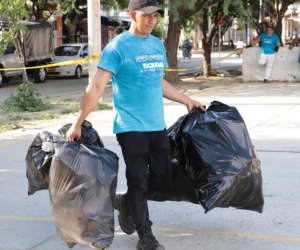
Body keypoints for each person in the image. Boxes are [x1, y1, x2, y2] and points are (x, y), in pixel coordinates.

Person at [66, 0, 205, 250]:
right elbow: (96, 86)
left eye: (156, 16)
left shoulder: (155, 44)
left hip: (156, 125)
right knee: (138, 180)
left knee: (162, 177)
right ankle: (145, 236)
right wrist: (77, 122)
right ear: (132, 15)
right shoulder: (117, 47)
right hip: (130, 127)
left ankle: (126, 202)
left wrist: (187, 100)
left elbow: (158, 82)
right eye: (147, 15)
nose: (152, 20)